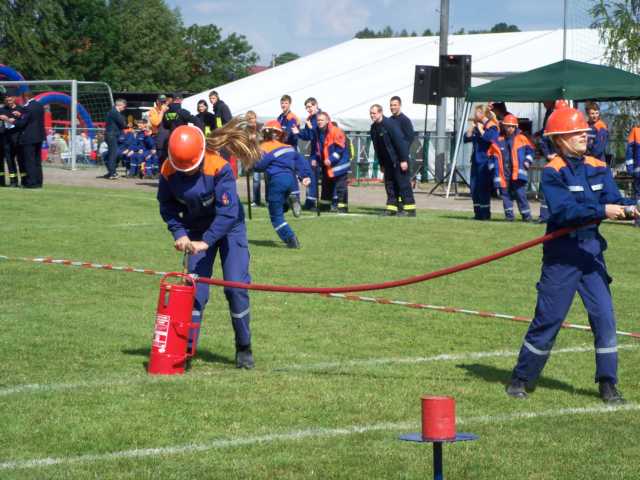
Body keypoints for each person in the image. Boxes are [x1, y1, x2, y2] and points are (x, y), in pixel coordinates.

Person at [506, 106, 638, 404]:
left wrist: (629, 207)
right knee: (549, 319)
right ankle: (521, 377)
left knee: (604, 318)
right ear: (560, 138)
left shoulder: (598, 166)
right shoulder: (553, 171)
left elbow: (614, 200)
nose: (584, 136)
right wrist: (602, 210)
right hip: (562, 257)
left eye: (584, 132)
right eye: (577, 132)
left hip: (591, 254)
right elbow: (565, 211)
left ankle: (608, 383)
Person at [157, 119, 260, 369]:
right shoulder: (168, 169)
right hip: (195, 230)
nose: (186, 173)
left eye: (190, 169)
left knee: (235, 288)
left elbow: (228, 213)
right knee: (194, 291)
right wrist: (179, 233)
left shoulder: (219, 167)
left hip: (229, 229)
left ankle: (243, 346)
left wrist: (206, 241)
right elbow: (167, 206)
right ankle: (186, 350)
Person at [255, 120, 311, 248]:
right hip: (291, 180)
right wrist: (304, 176)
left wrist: (250, 165)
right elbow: (300, 161)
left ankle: (290, 238)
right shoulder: (288, 147)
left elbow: (259, 166)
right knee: (281, 202)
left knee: (275, 215)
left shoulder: (264, 147)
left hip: (276, 180)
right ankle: (293, 197)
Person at [369, 104, 416, 216]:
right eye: (370, 113)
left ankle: (410, 210)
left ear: (380, 112)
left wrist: (403, 159)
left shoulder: (390, 124)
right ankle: (392, 208)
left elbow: (400, 142)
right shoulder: (374, 128)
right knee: (389, 185)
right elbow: (377, 148)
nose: (372, 115)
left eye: (374, 113)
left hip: (398, 160)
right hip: (387, 162)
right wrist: (381, 163)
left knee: (403, 184)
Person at [488, 114, 534, 221]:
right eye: (508, 126)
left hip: (517, 173)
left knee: (520, 195)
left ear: (516, 127)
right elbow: (490, 155)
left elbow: (530, 151)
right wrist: (492, 168)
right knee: (505, 195)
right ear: (504, 126)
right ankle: (509, 217)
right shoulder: (497, 140)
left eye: (512, 126)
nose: (510, 128)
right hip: (503, 173)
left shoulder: (522, 138)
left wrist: (527, 162)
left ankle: (527, 217)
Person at [463, 105, 499, 220]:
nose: (475, 114)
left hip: (485, 161)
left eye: (477, 112)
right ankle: (477, 213)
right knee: (474, 188)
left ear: (483, 113)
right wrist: (471, 127)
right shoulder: (476, 125)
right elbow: (466, 138)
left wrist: (481, 129)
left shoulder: (491, 126)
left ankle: (485, 214)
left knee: (483, 188)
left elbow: (490, 138)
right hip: (475, 161)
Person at [292, 97, 323, 210]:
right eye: (307, 107)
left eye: (310, 106)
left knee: (322, 178)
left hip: (322, 151)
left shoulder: (322, 117)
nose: (309, 109)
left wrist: (311, 128)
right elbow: (308, 136)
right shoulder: (310, 118)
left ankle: (322, 202)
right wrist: (298, 132)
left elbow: (319, 134)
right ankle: (311, 201)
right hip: (314, 151)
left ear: (316, 105)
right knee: (311, 175)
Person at [317, 112, 350, 212]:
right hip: (328, 165)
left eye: (321, 120)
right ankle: (325, 206)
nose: (319, 122)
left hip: (339, 164)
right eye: (318, 120)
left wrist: (330, 159)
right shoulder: (320, 132)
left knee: (340, 186)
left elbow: (340, 148)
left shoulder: (336, 131)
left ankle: (342, 207)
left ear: (327, 120)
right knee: (326, 186)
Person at [14, 90, 46, 188]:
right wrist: (21, 115)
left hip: (29, 137)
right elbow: (32, 118)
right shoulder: (39, 106)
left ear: (26, 97)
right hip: (39, 136)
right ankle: (39, 182)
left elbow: (22, 123)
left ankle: (31, 182)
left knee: (29, 160)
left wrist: (12, 121)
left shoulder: (27, 107)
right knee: (37, 161)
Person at [246, 110, 265, 206]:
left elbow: (265, 138)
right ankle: (256, 201)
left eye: (252, 118)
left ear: (255, 118)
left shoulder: (261, 126)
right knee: (256, 179)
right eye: (249, 119)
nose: (251, 120)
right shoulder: (246, 129)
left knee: (267, 178)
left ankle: (268, 200)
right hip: (253, 156)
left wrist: (256, 137)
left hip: (263, 154)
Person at [104, 98, 127, 179]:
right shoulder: (115, 112)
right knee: (113, 154)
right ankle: (112, 173)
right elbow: (123, 124)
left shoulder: (111, 112)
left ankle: (111, 172)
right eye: (124, 106)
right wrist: (125, 123)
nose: (124, 108)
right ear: (120, 105)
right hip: (112, 135)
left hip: (110, 135)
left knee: (111, 154)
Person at [625, 124, 640, 227]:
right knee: (638, 196)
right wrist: (630, 167)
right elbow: (629, 151)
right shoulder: (635, 131)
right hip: (638, 171)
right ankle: (638, 220)